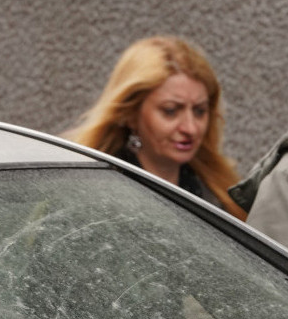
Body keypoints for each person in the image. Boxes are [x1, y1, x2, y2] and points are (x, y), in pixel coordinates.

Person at [63, 35, 247, 220]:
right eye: (171, 111)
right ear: (131, 115)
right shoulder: (92, 195)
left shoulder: (220, 196)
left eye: (199, 111)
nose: (190, 128)